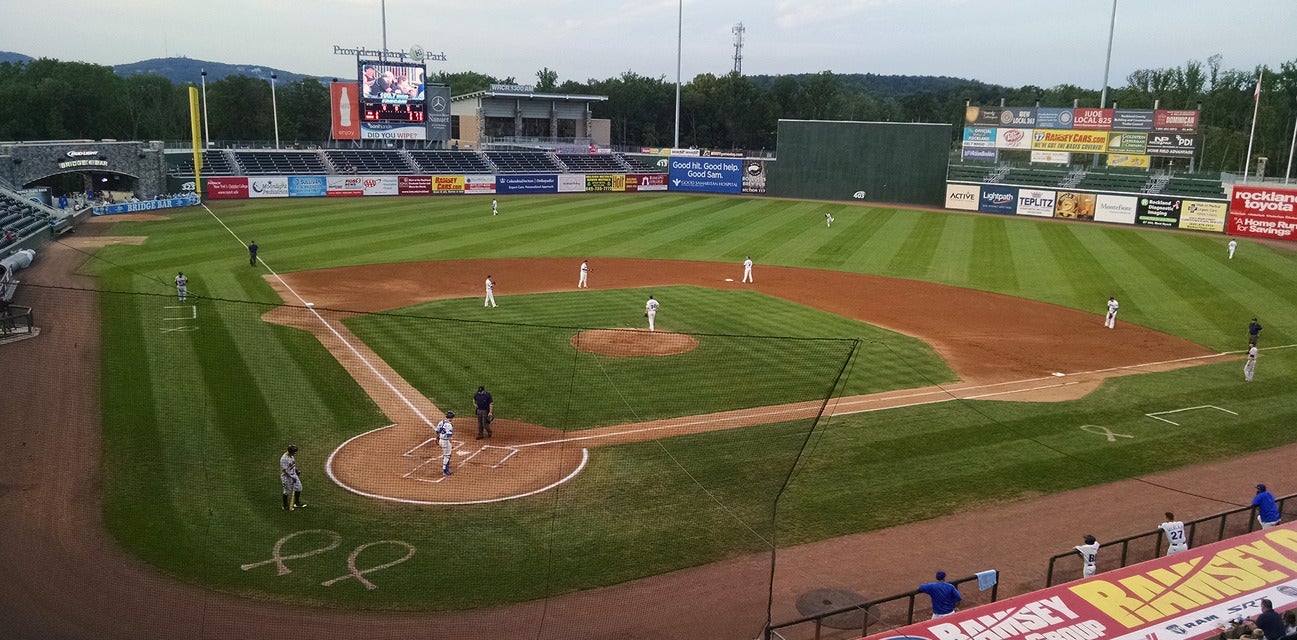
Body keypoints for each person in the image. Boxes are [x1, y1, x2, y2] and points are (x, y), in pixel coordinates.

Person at [280, 444, 306, 510]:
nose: (295, 454)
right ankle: (285, 505)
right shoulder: (284, 459)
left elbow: (292, 465)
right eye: (294, 452)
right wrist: (291, 477)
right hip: (286, 477)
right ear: (290, 452)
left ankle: (296, 503)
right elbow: (284, 470)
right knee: (286, 491)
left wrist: (296, 470)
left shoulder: (291, 456)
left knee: (299, 488)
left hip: (293, 474)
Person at [436, 411, 455, 476]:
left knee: (446, 455)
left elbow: (437, 431)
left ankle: (446, 468)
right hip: (446, 442)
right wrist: (451, 444)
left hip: (441, 440)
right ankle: (445, 471)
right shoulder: (449, 425)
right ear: (451, 417)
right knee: (447, 456)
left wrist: (437, 439)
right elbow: (449, 436)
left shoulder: (441, 422)